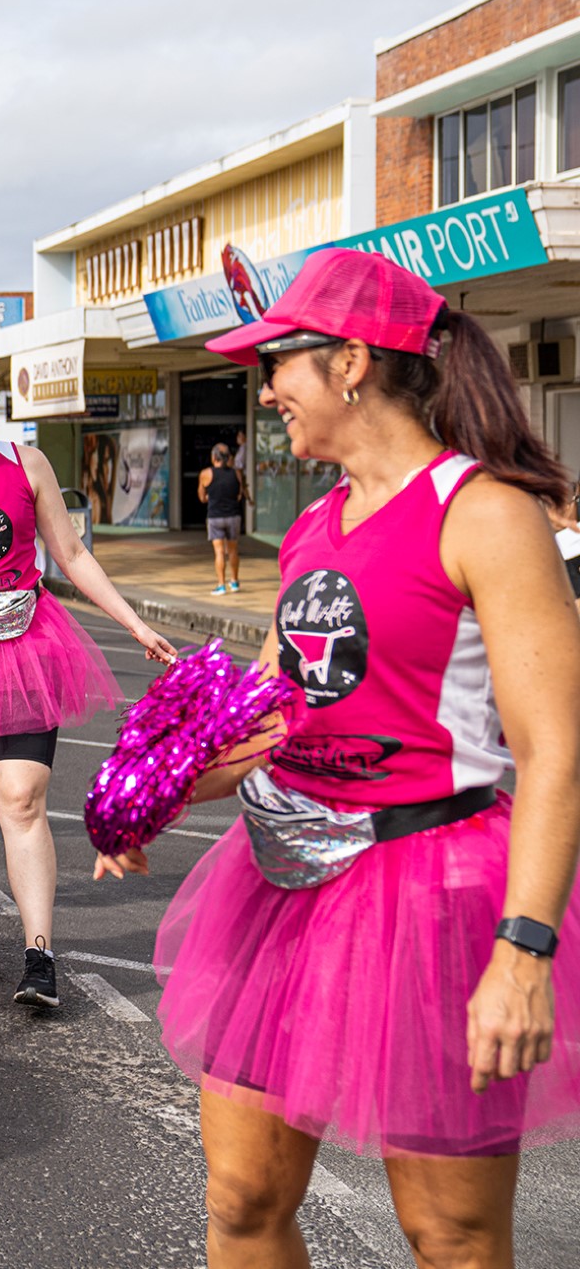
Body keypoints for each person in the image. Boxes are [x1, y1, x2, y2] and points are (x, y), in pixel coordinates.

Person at [99, 248, 580, 1264]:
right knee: (240, 1197)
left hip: (438, 891)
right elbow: (275, 714)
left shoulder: (485, 513)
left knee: (448, 1229)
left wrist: (523, 950)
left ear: (351, 361)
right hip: (284, 886)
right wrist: (151, 796)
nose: (266, 387)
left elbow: (554, 753)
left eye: (281, 362)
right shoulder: (315, 526)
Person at [0, 351, 175, 1011]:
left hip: (25, 641)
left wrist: (132, 623)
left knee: (22, 796)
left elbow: (70, 554)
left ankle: (40, 952)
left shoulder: (27, 465)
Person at [198, 443, 245, 594]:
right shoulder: (236, 473)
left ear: (214, 457)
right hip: (233, 516)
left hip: (215, 517)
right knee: (233, 550)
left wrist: (209, 496)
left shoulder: (206, 474)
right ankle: (235, 582)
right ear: (228, 458)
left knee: (219, 552)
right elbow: (239, 494)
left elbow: (202, 498)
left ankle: (221, 585)